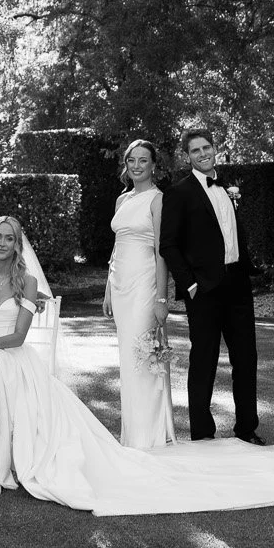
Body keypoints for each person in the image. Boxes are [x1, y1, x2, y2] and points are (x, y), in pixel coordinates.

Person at [0, 217, 274, 516]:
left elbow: (17, 338)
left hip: (14, 361)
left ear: (17, 245)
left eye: (9, 238)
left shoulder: (27, 284)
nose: (2, 244)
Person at [159, 125, 262, 444]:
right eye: (195, 150)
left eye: (207, 148)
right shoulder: (178, 192)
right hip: (203, 289)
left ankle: (247, 429)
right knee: (203, 359)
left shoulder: (228, 186)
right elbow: (169, 245)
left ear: (215, 149)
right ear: (187, 156)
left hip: (238, 285)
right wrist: (189, 285)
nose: (203, 154)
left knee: (246, 358)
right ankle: (202, 431)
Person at [103, 136, 174, 448]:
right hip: (119, 286)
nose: (136, 166)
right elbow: (116, 247)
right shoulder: (122, 200)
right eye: (131, 160)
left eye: (143, 160)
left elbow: (162, 251)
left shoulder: (158, 200)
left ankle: (148, 438)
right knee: (126, 358)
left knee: (141, 357)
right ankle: (131, 433)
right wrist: (107, 288)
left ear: (153, 165)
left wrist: (162, 298)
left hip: (145, 285)